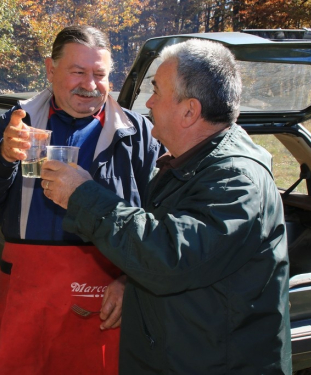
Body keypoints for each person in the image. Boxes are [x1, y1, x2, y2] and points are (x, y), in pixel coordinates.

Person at [41, 38, 292, 374]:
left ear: (189, 111)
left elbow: (169, 256)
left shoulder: (234, 180)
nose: (149, 102)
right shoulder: (191, 164)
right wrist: (129, 280)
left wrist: (82, 194)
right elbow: (182, 249)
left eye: (157, 91)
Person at [0, 25, 163, 375]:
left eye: (99, 74)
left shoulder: (135, 132)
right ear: (51, 69)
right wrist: (2, 156)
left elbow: (160, 218)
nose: (90, 84)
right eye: (78, 72)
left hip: (104, 288)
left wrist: (133, 281)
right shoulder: (21, 122)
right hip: (25, 290)